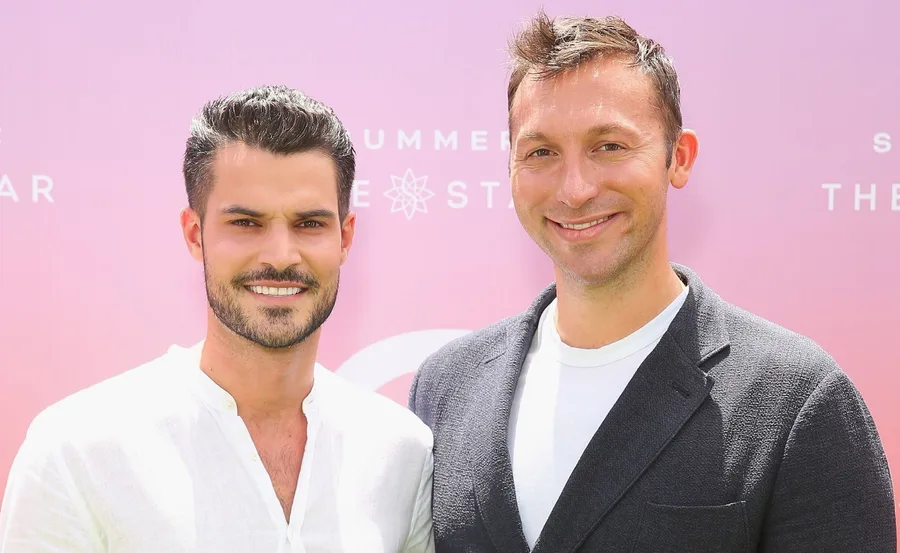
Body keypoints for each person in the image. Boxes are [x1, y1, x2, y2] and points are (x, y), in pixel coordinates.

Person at [408, 11, 896, 553]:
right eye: (540, 152)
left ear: (678, 158)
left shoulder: (798, 399)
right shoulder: (445, 388)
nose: (574, 188)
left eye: (609, 146)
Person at [0, 85, 435, 553]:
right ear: (194, 234)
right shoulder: (77, 448)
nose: (281, 255)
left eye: (310, 223)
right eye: (246, 223)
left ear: (345, 239)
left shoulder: (401, 451)